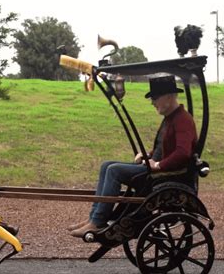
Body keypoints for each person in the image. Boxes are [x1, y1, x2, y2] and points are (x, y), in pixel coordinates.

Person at [70, 75, 198, 237]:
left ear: (169, 96)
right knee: (106, 165)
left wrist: (158, 165)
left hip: (168, 175)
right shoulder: (171, 118)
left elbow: (182, 153)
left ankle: (98, 221)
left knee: (114, 171)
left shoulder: (182, 120)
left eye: (155, 98)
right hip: (158, 169)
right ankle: (94, 218)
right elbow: (163, 148)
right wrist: (147, 155)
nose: (152, 102)